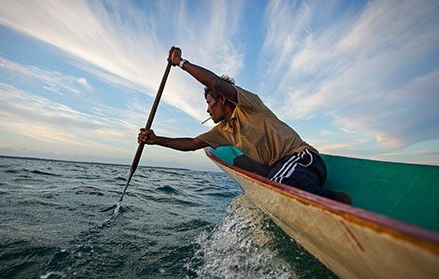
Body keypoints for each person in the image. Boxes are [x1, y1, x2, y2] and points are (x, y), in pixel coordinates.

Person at [138, 47, 350, 204]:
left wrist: (182, 63)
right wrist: (156, 140)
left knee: (277, 184)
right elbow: (192, 143)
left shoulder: (249, 105)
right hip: (283, 167)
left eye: (209, 103)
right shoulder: (224, 130)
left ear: (222, 99)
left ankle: (338, 200)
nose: (207, 110)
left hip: (303, 159)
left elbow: (215, 83)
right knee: (246, 164)